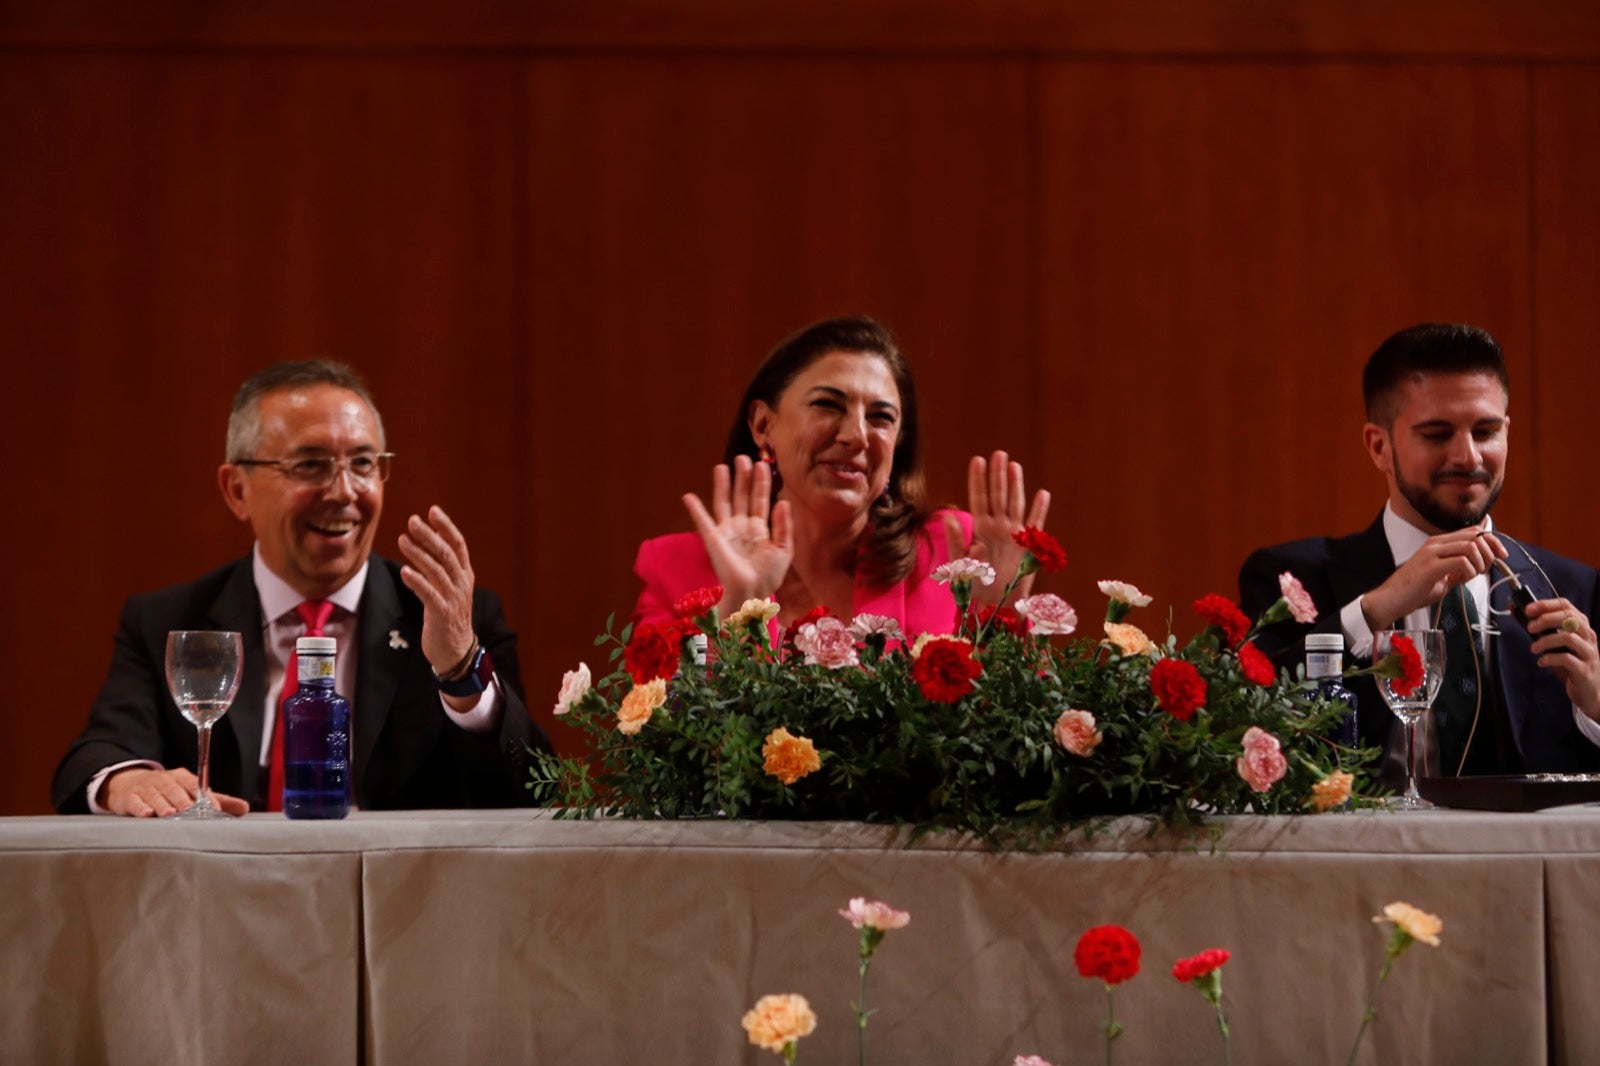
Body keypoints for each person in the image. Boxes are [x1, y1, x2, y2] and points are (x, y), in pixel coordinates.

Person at [53, 360, 549, 816]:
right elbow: (97, 755)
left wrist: (460, 669)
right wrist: (126, 781)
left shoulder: (450, 618)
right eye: (310, 465)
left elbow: (530, 791)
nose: (343, 492)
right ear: (237, 490)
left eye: (362, 463)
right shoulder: (168, 621)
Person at [1239, 323, 1600, 782]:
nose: (1468, 457)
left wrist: (1596, 706)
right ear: (1379, 446)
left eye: (1486, 431)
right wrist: (1374, 609)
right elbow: (1241, 721)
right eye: (1436, 434)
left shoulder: (1579, 591)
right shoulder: (1292, 579)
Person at [634, 315, 1053, 636]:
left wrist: (1000, 615)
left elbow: (1014, 741)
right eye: (828, 405)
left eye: (881, 417)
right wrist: (736, 612)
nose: (856, 436)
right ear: (763, 425)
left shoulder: (956, 554)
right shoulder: (678, 571)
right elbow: (660, 740)